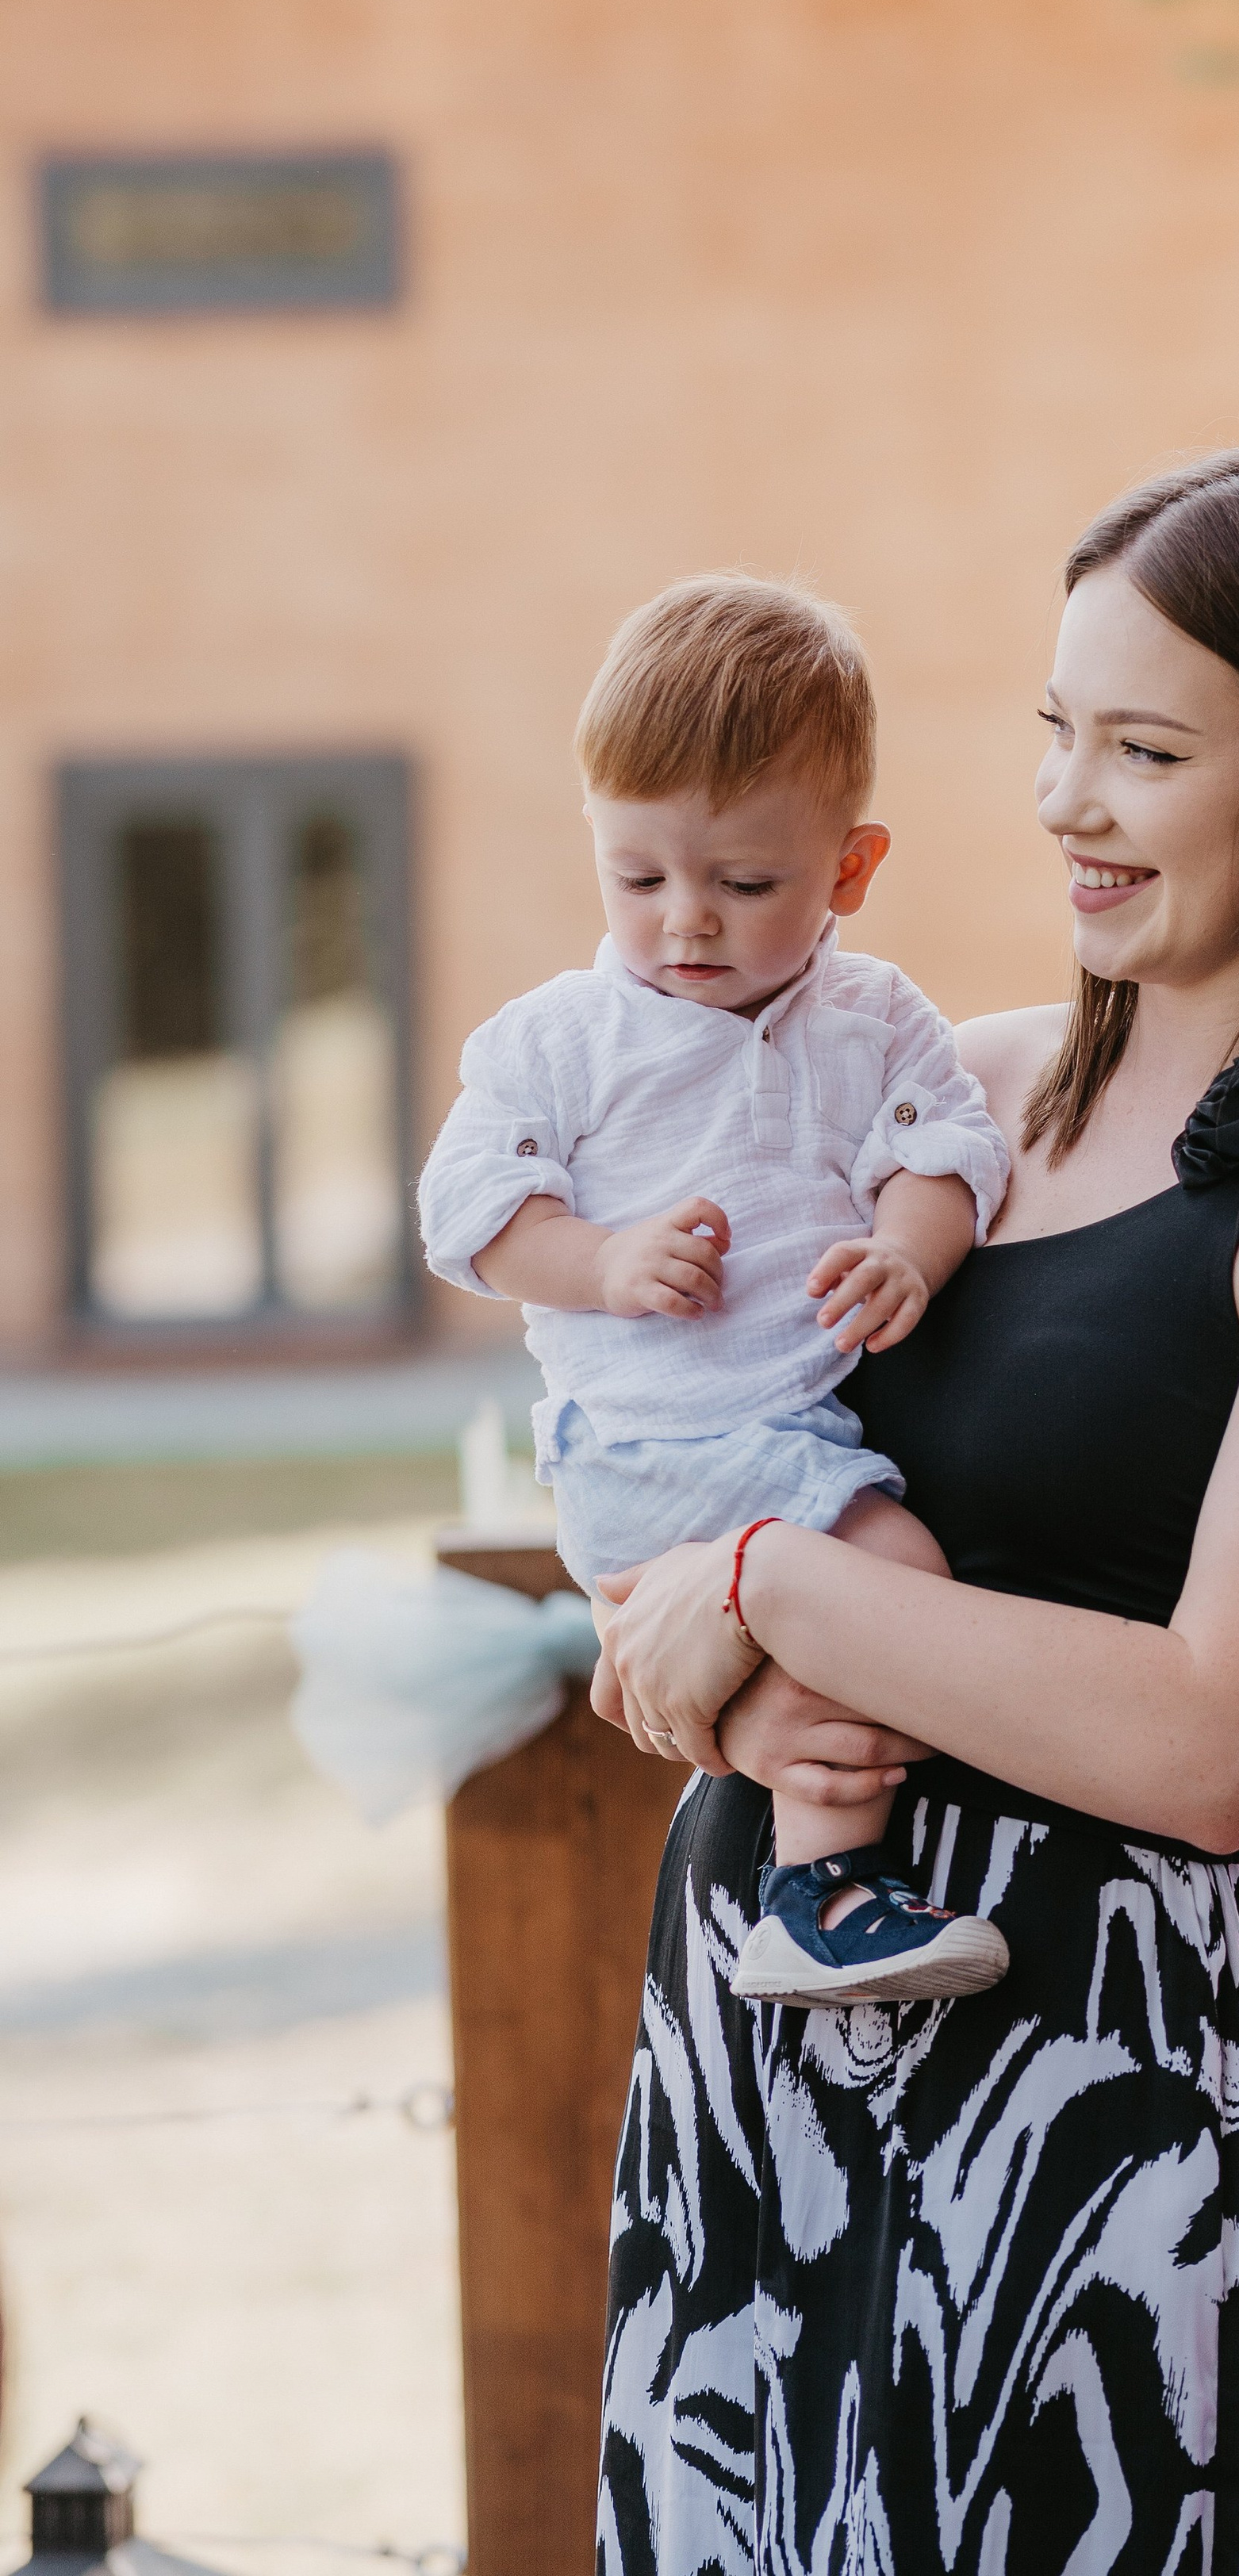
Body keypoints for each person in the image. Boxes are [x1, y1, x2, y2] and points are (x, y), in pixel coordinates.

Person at [589, 446, 1239, 2574]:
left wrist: (774, 1594)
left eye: (1143, 748)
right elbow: (659, 1426)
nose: (1064, 801)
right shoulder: (936, 1081)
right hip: (760, 2038)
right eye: (1054, 731)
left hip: (1072, 2097)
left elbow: (1215, 1745)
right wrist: (729, 1679)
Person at [416, 573, 1013, 2005]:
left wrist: (906, 1251)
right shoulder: (559, 1040)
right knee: (903, 1585)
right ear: (597, 845)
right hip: (644, 1452)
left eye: (745, 884)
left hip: (792, 1439)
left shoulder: (870, 1019)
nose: (685, 920)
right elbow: (470, 1211)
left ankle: (785, 1824)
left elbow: (950, 1148)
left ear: (851, 870)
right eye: (640, 878)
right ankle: (821, 1881)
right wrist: (605, 1266)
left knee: (876, 1609)